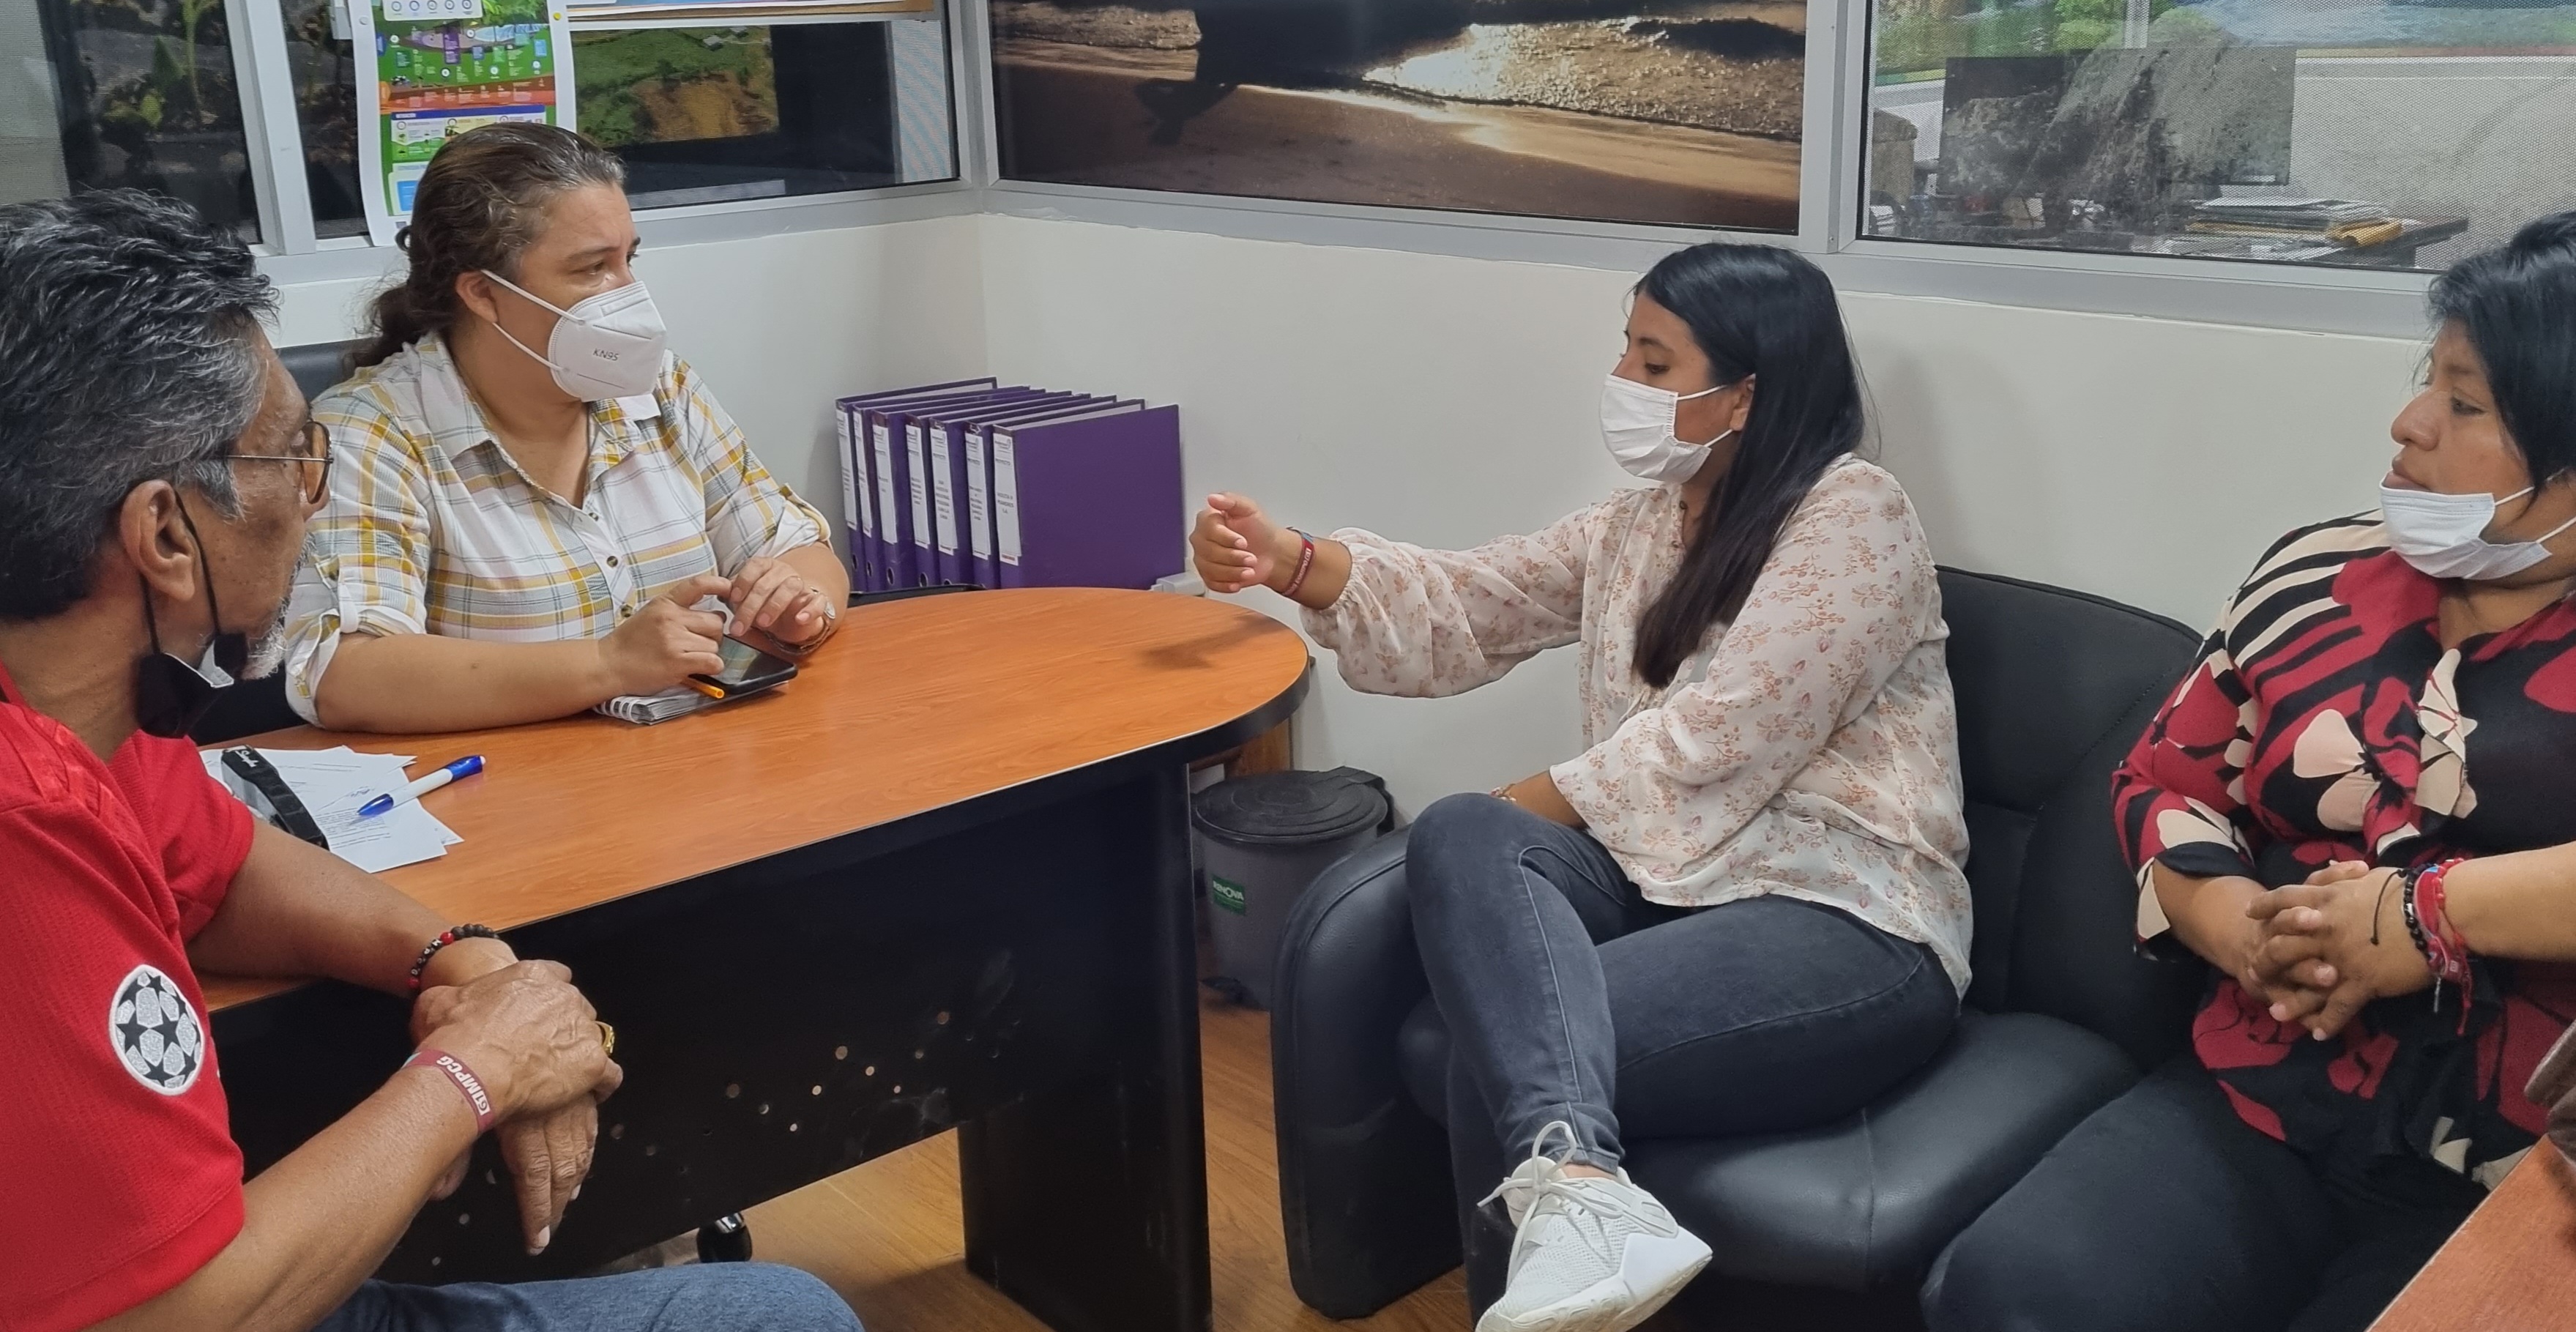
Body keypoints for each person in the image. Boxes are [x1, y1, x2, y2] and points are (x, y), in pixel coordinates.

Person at [0, 190, 860, 1332]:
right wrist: (476, 1071)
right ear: (165, 533)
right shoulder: (26, 827)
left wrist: (461, 957)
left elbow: (220, 860)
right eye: (294, 457)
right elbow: (169, 1316)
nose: (309, 497)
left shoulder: (90, 717)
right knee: (785, 1316)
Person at [1191, 242, 1971, 1332]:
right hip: (1672, 883)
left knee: (1498, 1041)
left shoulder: (1853, 516)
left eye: (1653, 364)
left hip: (1842, 918)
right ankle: (1582, 1191)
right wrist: (1291, 560)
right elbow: (1480, 598)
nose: (1621, 382)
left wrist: (1527, 798)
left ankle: (1567, 1203)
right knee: (1460, 829)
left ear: (1744, 394)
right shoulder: (1642, 519)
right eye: (1625, 352)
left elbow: (1718, 735)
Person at [1924, 212, 2576, 1332]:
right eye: (2426, 380)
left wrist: (2422, 917)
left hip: (2508, 1163)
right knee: (2016, 1287)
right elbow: (2161, 780)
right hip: (2261, 1088)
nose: (2409, 422)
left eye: (2466, 404)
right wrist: (2231, 923)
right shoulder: (2312, 573)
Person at [282, 123, 848, 733]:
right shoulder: (367, 432)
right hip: (519, 781)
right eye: (592, 269)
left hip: (705, 758)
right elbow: (345, 674)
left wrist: (797, 604)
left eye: (628, 260)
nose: (629, 296)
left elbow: (797, 547)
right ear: (482, 293)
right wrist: (608, 664)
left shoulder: (661, 387)